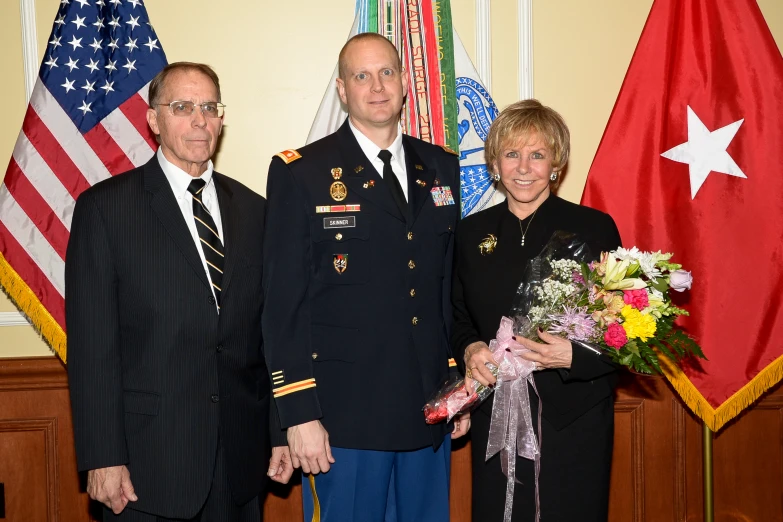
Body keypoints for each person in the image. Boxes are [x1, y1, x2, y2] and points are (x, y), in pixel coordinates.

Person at [66, 62, 292, 522]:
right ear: (153, 120)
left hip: (238, 466)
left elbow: (269, 337)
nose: (199, 120)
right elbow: (93, 349)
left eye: (210, 107)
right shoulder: (106, 210)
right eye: (182, 107)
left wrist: (279, 431)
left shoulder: (255, 211)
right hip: (146, 469)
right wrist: (102, 456)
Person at [262, 33, 466, 522]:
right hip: (343, 422)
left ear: (404, 84)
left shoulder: (441, 168)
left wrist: (456, 387)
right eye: (362, 75)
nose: (377, 86)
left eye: (387, 73)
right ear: (342, 88)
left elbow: (445, 293)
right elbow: (282, 306)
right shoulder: (302, 173)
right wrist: (298, 414)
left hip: (428, 412)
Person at [452, 99, 622, 521]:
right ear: (495, 163)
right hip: (496, 413)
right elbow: (455, 315)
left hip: (573, 413)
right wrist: (471, 348)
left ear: (556, 164)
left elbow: (624, 323)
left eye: (537, 154)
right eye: (511, 154)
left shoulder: (594, 227)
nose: (523, 167)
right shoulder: (470, 233)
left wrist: (574, 356)